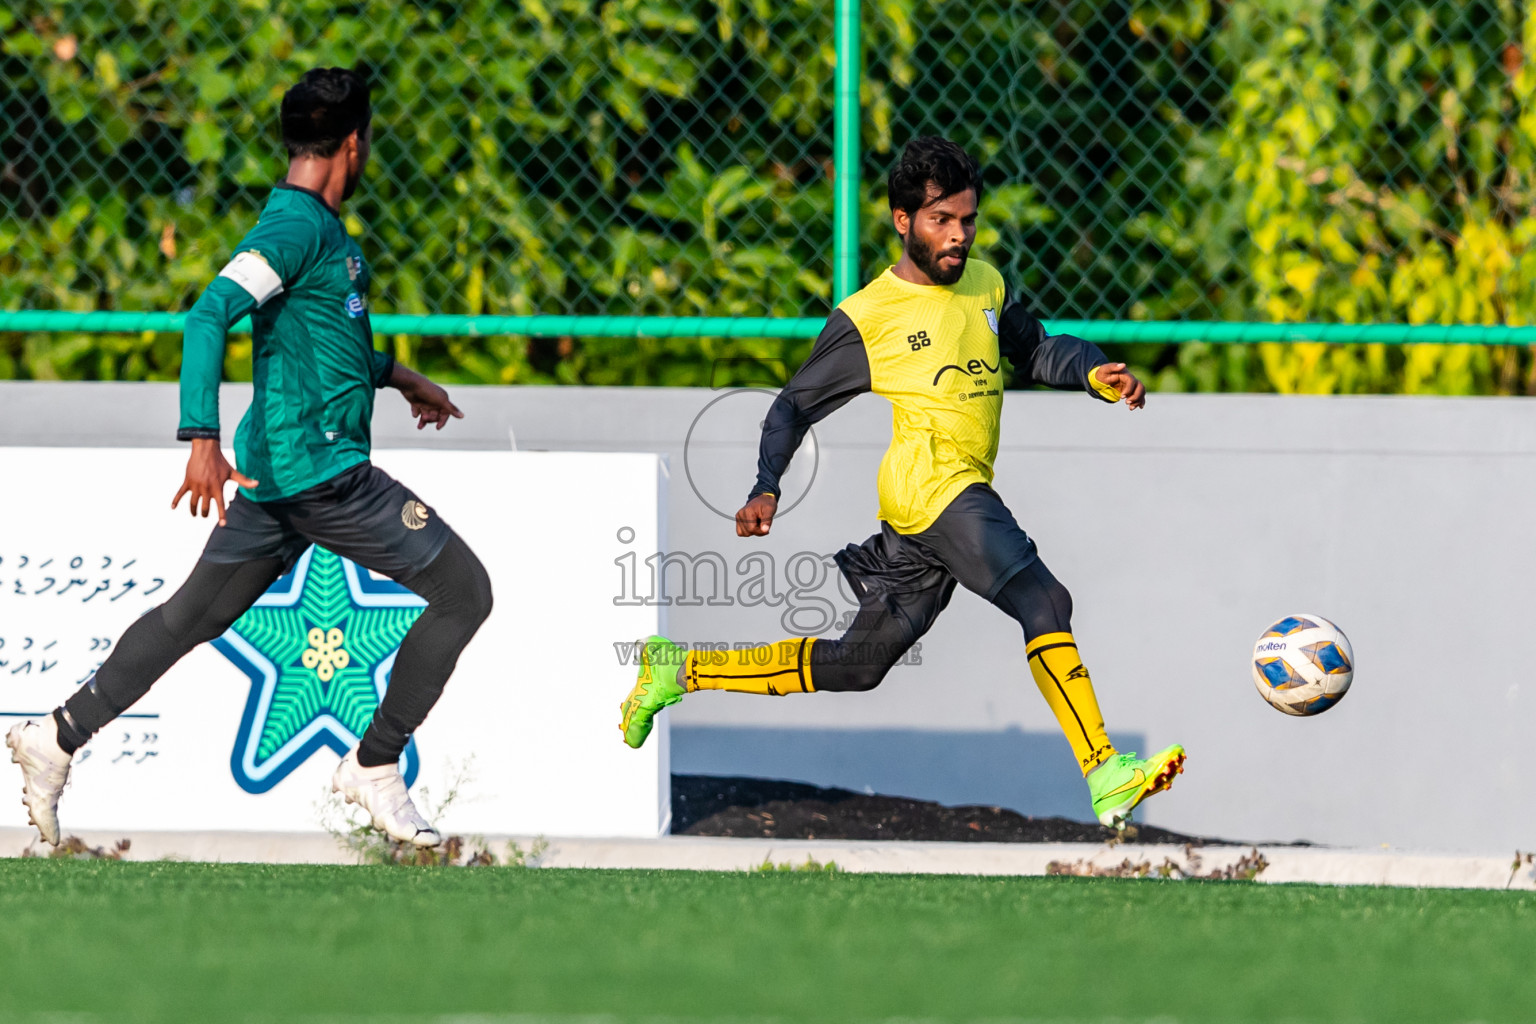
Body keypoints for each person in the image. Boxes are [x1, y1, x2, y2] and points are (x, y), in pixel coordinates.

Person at [619, 137, 1183, 828]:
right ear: (901, 220)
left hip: (934, 506)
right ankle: (1105, 771)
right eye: (941, 220)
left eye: (967, 220)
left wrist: (1095, 371)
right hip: (935, 488)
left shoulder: (985, 283)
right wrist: (766, 484)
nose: (957, 235)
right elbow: (794, 402)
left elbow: (1034, 348)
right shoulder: (870, 316)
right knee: (1045, 599)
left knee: (859, 665)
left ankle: (676, 670)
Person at [6, 67, 491, 847]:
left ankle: (55, 737)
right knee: (464, 591)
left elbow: (320, 347)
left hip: (276, 478)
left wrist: (401, 378)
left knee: (190, 617)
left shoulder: (314, 233)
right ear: (355, 144)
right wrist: (201, 436)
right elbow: (208, 316)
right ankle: (375, 764)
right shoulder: (298, 230)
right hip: (327, 479)